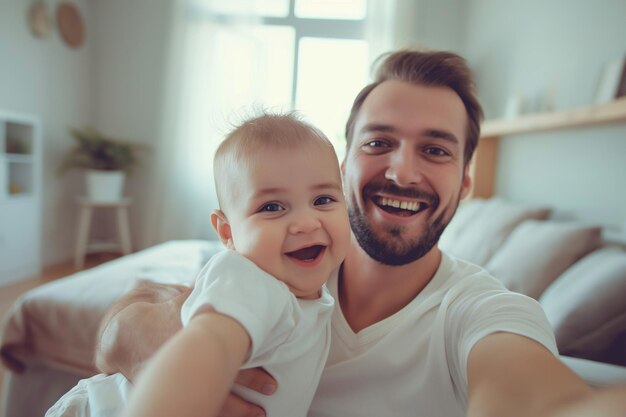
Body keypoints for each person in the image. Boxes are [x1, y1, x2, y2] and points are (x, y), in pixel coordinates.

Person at [96, 49, 626, 417]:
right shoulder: (280, 257)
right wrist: (135, 341)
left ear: (465, 182)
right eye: (378, 143)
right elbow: (130, 320)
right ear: (343, 163)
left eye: (436, 149)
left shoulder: (482, 313)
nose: (401, 171)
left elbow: (534, 397)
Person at [46, 113, 351, 417]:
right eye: (272, 207)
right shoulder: (252, 283)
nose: (306, 223)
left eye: (323, 200)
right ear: (227, 233)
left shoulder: (312, 291)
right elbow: (209, 346)